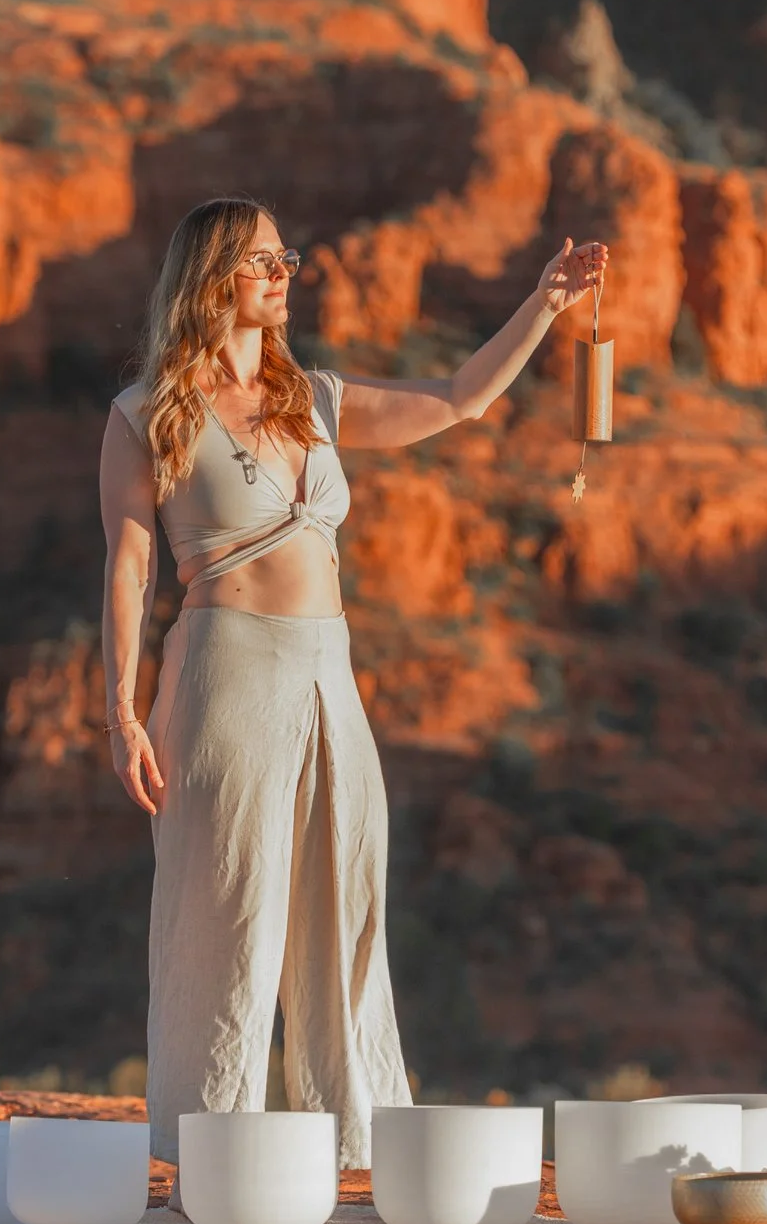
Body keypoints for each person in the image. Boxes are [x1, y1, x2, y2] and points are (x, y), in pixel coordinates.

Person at [99, 197, 606, 1172]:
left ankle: (360, 1161)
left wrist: (544, 304)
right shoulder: (146, 414)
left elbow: (461, 397)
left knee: (347, 903)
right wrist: (121, 711)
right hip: (225, 669)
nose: (284, 270)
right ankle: (213, 1161)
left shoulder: (313, 399)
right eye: (260, 260)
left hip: (330, 672)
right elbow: (130, 568)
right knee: (228, 913)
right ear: (212, 279)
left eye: (286, 254)